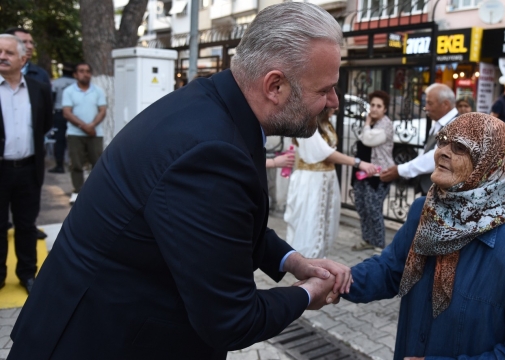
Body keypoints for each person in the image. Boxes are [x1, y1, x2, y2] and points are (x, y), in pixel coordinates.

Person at [9, 3, 353, 359]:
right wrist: (307, 293)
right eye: (324, 89)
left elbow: (221, 225)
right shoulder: (212, 151)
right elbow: (231, 319)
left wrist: (292, 260)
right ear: (275, 86)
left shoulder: (216, 107)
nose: (334, 101)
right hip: (96, 342)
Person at [340, 113, 505, 359]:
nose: (442, 152)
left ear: (490, 163)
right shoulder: (425, 210)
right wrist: (338, 280)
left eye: (459, 147)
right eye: (442, 141)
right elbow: (392, 269)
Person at [284, 108, 377, 258]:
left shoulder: (326, 123)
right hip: (311, 181)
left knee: (325, 221)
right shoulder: (306, 122)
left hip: (326, 179)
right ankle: (305, 262)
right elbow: (324, 152)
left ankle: (319, 259)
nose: (336, 108)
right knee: (309, 222)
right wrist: (358, 162)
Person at [0, 34, 53, 292]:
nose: (2, 57)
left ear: (22, 58)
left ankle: (27, 274)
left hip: (29, 170)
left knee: (26, 225)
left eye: (8, 53)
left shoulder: (39, 88)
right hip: (0, 170)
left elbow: (45, 125)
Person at [380, 84, 458, 196]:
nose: (426, 108)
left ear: (445, 104)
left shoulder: (455, 125)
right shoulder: (440, 122)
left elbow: (436, 157)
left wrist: (400, 170)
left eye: (430, 103)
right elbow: (426, 152)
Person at [351, 90, 394, 251]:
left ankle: (379, 244)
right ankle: (367, 239)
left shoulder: (386, 124)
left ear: (385, 109)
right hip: (363, 172)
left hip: (379, 174)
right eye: (372, 105)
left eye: (378, 106)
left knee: (373, 207)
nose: (374, 108)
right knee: (362, 206)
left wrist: (367, 124)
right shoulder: (373, 123)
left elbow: (368, 139)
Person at [62, 62, 107, 204]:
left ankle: (96, 191)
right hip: (75, 133)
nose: (85, 74)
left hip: (95, 133)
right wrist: (83, 126)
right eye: (81, 71)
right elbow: (67, 113)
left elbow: (103, 110)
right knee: (76, 164)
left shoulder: (98, 91)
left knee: (98, 164)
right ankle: (77, 191)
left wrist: (92, 125)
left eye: (88, 71)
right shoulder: (69, 91)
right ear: (75, 74)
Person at [49, 63, 76, 173]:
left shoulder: (56, 83)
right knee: (74, 139)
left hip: (59, 113)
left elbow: (52, 99)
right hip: (75, 115)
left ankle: (59, 165)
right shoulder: (77, 84)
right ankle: (73, 164)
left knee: (59, 140)